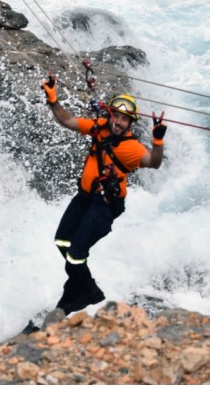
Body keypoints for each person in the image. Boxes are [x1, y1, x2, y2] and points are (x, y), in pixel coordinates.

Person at [41, 74, 167, 314]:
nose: (118, 122)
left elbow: (153, 162)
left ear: (130, 124)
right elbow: (68, 121)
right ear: (110, 114)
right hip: (84, 198)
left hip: (105, 205)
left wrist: (157, 142)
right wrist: (53, 100)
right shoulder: (99, 128)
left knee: (76, 254)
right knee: (62, 241)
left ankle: (79, 292)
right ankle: (84, 289)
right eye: (116, 116)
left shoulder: (131, 148)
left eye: (124, 120)